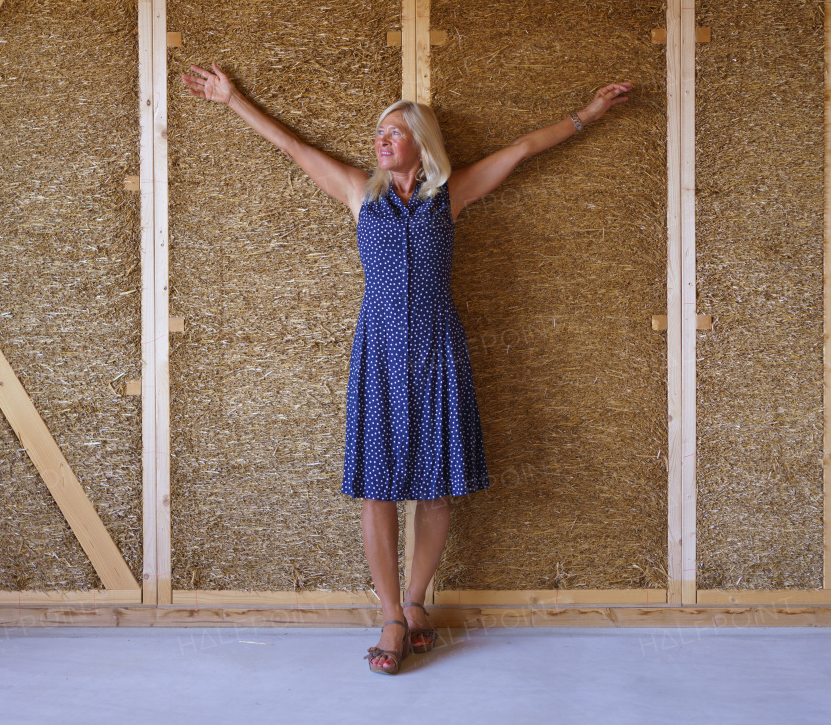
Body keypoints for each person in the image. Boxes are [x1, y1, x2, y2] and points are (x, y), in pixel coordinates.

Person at [182, 63, 633, 674]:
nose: (382, 141)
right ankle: (391, 616)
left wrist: (590, 113)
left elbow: (523, 149)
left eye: (394, 132)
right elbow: (291, 146)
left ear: (423, 142)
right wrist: (230, 98)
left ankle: (417, 603)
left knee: (437, 487)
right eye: (378, 134)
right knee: (377, 489)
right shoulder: (355, 191)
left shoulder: (451, 194)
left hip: (438, 349)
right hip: (380, 352)